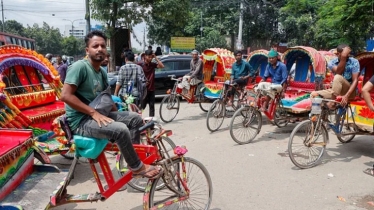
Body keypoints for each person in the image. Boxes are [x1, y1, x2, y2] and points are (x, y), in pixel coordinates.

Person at [61, 30, 162, 179]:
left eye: (102, 45)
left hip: (97, 114)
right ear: (87, 50)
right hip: (81, 121)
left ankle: (132, 158)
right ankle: (137, 167)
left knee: (135, 118)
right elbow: (65, 95)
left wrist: (119, 113)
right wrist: (93, 113)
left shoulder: (101, 71)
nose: (100, 49)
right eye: (95, 46)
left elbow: (106, 97)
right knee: (120, 130)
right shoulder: (79, 67)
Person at [140, 49, 164, 117]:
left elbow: (162, 66)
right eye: (149, 57)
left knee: (152, 106)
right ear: (145, 56)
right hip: (143, 88)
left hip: (151, 88)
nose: (150, 58)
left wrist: (156, 57)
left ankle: (151, 121)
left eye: (151, 57)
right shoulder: (140, 64)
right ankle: (139, 119)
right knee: (142, 106)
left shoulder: (152, 65)